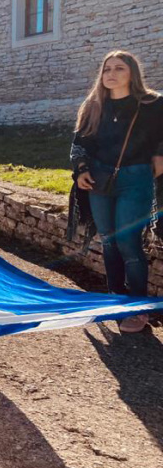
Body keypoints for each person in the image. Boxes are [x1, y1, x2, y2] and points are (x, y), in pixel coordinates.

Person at [71, 50, 163, 333]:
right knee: (109, 241)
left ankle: (137, 309)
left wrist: (159, 157)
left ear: (132, 73)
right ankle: (115, 299)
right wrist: (81, 169)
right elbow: (80, 141)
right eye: (107, 69)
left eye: (119, 68)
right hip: (98, 179)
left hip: (135, 179)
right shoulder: (94, 104)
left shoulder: (152, 103)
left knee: (128, 243)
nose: (111, 73)